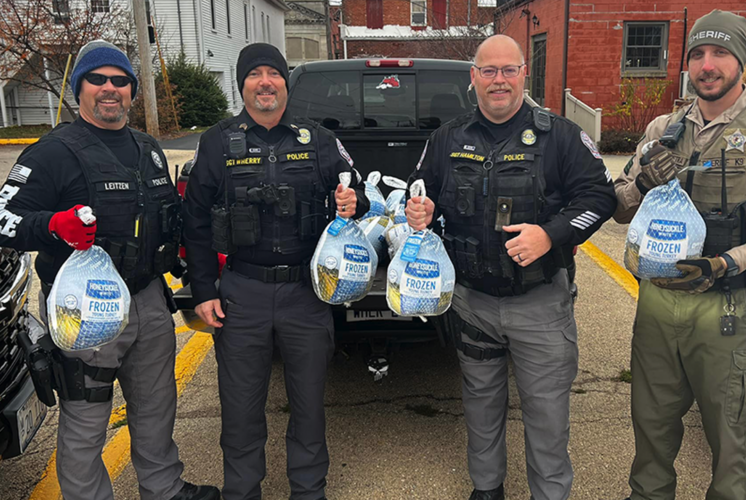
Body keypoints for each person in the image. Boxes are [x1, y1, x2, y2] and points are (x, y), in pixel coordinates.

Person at [613, 10, 746, 500]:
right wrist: (642, 181)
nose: (707, 65)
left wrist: (729, 261)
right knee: (651, 424)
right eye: (698, 54)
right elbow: (619, 208)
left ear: (741, 61)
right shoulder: (663, 128)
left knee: (729, 435)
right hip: (660, 304)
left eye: (720, 53)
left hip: (730, 307)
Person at [0, 40, 219, 500]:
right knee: (86, 419)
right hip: (85, 308)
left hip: (147, 299)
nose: (109, 89)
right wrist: (53, 226)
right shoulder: (51, 153)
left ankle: (164, 488)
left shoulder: (148, 149)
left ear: (132, 92)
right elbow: (4, 221)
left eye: (120, 81)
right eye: (97, 79)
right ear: (79, 88)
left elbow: (164, 216)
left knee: (156, 407)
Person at [406, 35, 617, 500]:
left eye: (508, 70)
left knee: (546, 415)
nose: (498, 81)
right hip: (473, 302)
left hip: (539, 304)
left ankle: (550, 493)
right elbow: (420, 189)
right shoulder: (447, 138)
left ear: (524, 73)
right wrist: (417, 209)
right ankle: (487, 489)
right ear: (473, 78)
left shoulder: (559, 136)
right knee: (480, 407)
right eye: (488, 71)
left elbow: (599, 198)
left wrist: (551, 234)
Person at [182, 43, 369, 500]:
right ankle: (242, 490)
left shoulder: (318, 139)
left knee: (307, 407)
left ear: (286, 84)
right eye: (255, 74)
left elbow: (357, 191)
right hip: (241, 291)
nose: (265, 82)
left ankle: (309, 491)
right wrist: (204, 288)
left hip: (305, 294)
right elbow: (196, 220)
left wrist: (353, 202)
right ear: (242, 84)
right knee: (241, 409)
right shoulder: (216, 141)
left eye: (274, 73)